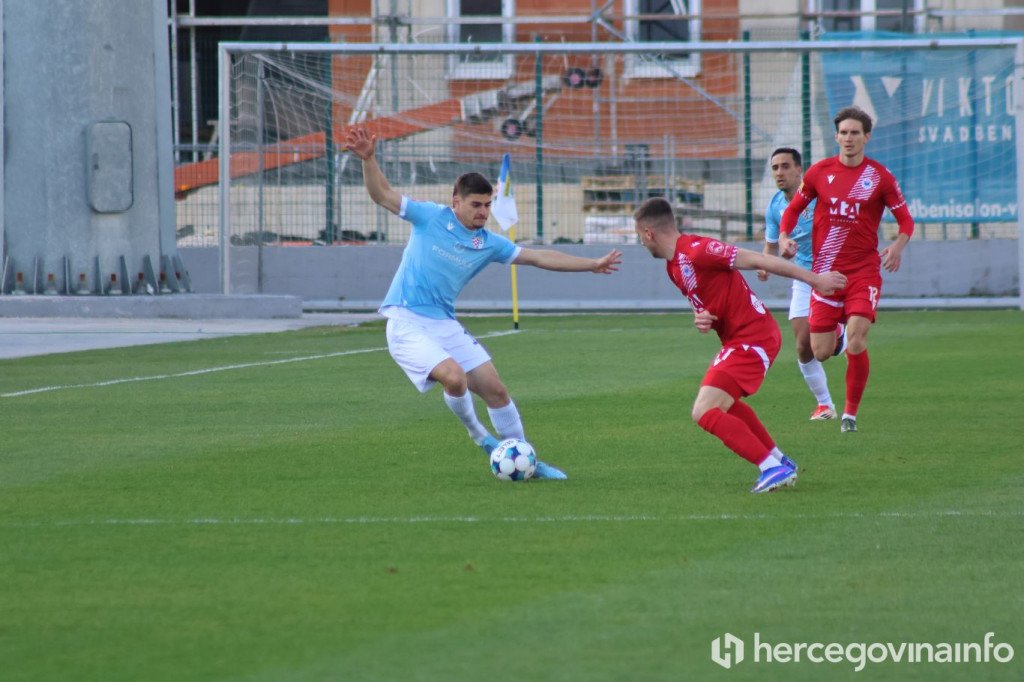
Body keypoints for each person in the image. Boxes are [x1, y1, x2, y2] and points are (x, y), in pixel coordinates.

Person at [345, 125, 622, 479]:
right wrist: (368, 160)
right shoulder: (430, 217)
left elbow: (539, 257)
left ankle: (527, 460)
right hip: (406, 321)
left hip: (443, 323)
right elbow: (382, 195)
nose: (483, 212)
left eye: (487, 205)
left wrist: (592, 264)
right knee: (454, 377)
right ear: (456, 201)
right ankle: (481, 438)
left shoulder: (490, 243)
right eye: (476, 204)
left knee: (496, 390)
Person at [633, 197, 847, 494]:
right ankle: (778, 460)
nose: (641, 243)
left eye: (639, 236)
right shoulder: (674, 266)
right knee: (725, 404)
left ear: (649, 233)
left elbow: (759, 260)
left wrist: (815, 280)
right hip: (740, 339)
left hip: (753, 337)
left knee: (704, 411)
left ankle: (771, 468)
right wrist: (702, 318)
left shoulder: (699, 250)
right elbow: (705, 300)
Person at [780, 106, 914, 434]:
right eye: (843, 133)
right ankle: (837, 335)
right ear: (836, 136)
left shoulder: (880, 177)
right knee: (820, 351)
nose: (848, 138)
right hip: (825, 275)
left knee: (858, 340)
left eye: (855, 133)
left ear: (866, 137)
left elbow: (906, 221)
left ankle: (849, 416)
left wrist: (898, 246)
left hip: (863, 273)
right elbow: (793, 210)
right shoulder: (819, 173)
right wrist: (783, 236)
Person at [757, 147, 843, 421]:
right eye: (775, 168)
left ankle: (839, 332)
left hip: (836, 269)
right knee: (803, 346)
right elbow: (771, 244)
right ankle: (825, 405)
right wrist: (764, 264)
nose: (779, 173)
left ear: (799, 170)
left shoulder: (820, 196)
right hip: (805, 276)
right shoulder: (775, 207)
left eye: (785, 166)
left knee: (826, 348)